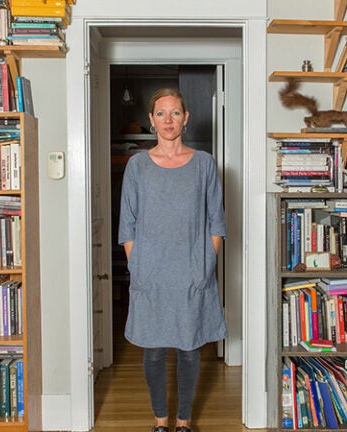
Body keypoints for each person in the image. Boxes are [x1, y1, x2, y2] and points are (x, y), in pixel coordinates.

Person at [118, 88, 227, 432]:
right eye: (161, 113)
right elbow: (127, 224)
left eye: (175, 113)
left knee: (189, 350)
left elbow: (217, 223)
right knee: (153, 351)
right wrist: (138, 266)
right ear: (151, 120)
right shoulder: (137, 165)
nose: (168, 120)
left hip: (191, 272)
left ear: (185, 118)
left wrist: (204, 266)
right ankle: (160, 422)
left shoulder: (204, 164)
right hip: (150, 273)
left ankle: (183, 422)